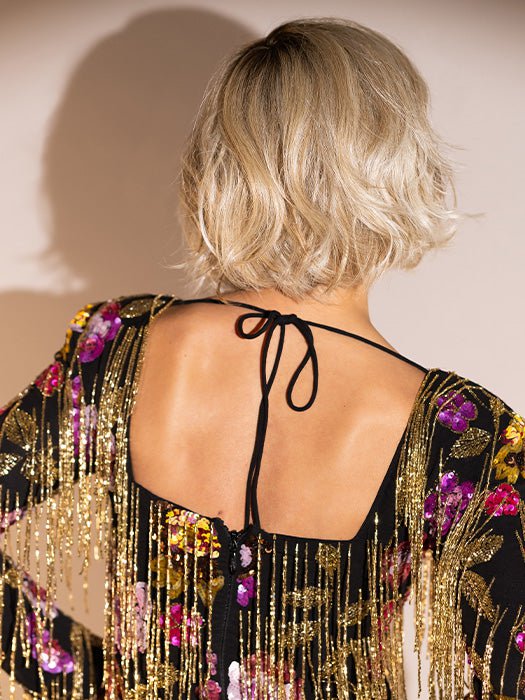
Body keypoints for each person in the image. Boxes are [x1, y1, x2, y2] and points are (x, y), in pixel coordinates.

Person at [1, 16, 524, 700]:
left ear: (218, 167)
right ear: (398, 167)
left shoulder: (121, 344)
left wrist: (92, 679)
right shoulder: (462, 433)